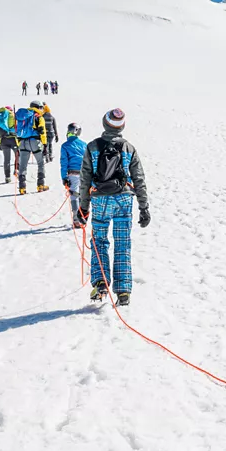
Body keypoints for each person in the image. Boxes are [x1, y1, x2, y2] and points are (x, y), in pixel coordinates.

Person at [77, 109, 149, 307]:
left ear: (104, 123)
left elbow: (85, 180)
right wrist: (144, 207)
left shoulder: (92, 147)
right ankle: (123, 291)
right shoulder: (128, 148)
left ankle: (101, 283)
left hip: (100, 200)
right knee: (122, 243)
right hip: (124, 200)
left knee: (99, 240)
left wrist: (83, 208)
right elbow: (139, 179)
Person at [14, 100, 49, 194]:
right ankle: (40, 185)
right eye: (41, 107)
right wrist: (45, 145)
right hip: (35, 142)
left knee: (23, 165)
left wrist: (18, 146)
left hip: (22, 142)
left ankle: (22, 188)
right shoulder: (38, 117)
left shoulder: (23, 116)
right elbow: (42, 132)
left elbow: (17, 132)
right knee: (41, 163)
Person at [61, 123, 86, 228]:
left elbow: (63, 162)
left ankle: (76, 219)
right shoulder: (84, 144)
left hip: (73, 173)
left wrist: (64, 177)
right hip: (85, 173)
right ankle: (82, 218)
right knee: (82, 195)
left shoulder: (65, 145)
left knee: (74, 195)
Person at [0, 106, 19, 183]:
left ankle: (7, 177)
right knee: (18, 155)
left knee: (6, 159)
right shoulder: (12, 115)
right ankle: (16, 170)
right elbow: (15, 128)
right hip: (13, 139)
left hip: (3, 140)